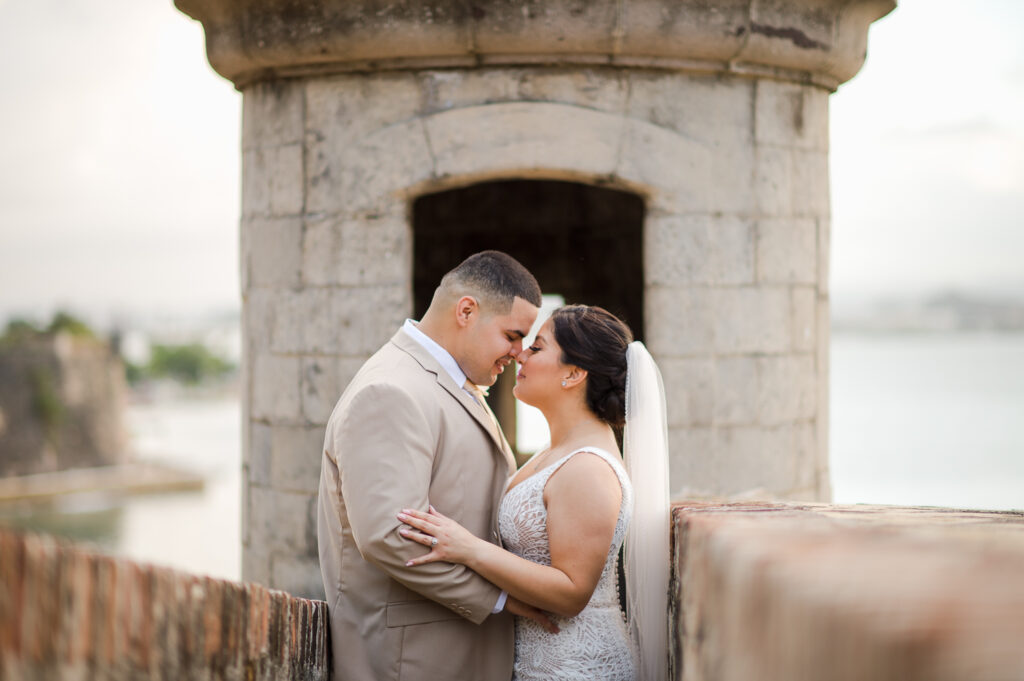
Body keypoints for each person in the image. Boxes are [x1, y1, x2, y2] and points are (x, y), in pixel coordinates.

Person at [396, 305, 671, 681]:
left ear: (574, 374)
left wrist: (469, 548)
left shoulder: (588, 468)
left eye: (537, 347)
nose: (520, 354)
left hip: (577, 668)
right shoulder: (555, 452)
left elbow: (572, 592)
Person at [317, 251, 549, 681]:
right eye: (512, 335)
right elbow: (391, 536)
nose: (518, 354)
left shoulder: (451, 382)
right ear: (466, 311)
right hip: (411, 662)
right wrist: (500, 597)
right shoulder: (391, 390)